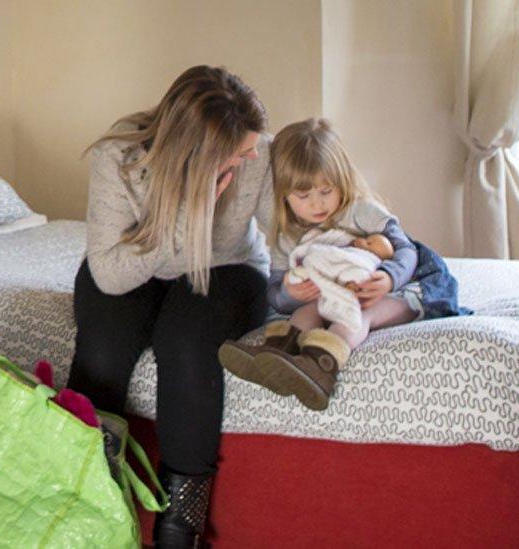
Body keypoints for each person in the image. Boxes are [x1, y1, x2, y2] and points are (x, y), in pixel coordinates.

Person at [66, 65, 276, 548]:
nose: (251, 156)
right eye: (239, 151)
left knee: (184, 337)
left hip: (228, 269)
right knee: (105, 342)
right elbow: (110, 272)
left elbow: (290, 227)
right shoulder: (119, 159)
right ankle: (86, 502)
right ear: (196, 153)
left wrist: (360, 251)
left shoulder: (258, 154)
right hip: (137, 265)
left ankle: (180, 529)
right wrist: (184, 213)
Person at [219, 118, 469, 411]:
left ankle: (321, 365)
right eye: (303, 196)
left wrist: (388, 278)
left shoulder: (360, 211)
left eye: (326, 191)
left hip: (398, 291)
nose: (317, 204)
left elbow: (406, 251)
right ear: (283, 195)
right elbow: (275, 294)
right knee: (307, 310)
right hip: (337, 292)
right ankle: (278, 353)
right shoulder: (288, 237)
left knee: (358, 311)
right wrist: (290, 294)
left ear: (341, 180)